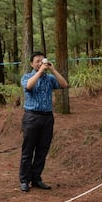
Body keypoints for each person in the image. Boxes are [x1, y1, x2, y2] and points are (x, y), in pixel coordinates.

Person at [19, 51, 69, 192]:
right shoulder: (27, 77)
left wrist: (52, 69)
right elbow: (29, 86)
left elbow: (64, 85)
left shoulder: (50, 78)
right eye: (37, 61)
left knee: (42, 149)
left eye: (42, 60)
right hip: (31, 117)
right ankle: (24, 180)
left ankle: (36, 178)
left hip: (47, 117)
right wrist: (40, 71)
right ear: (31, 63)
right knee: (28, 150)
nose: (40, 63)